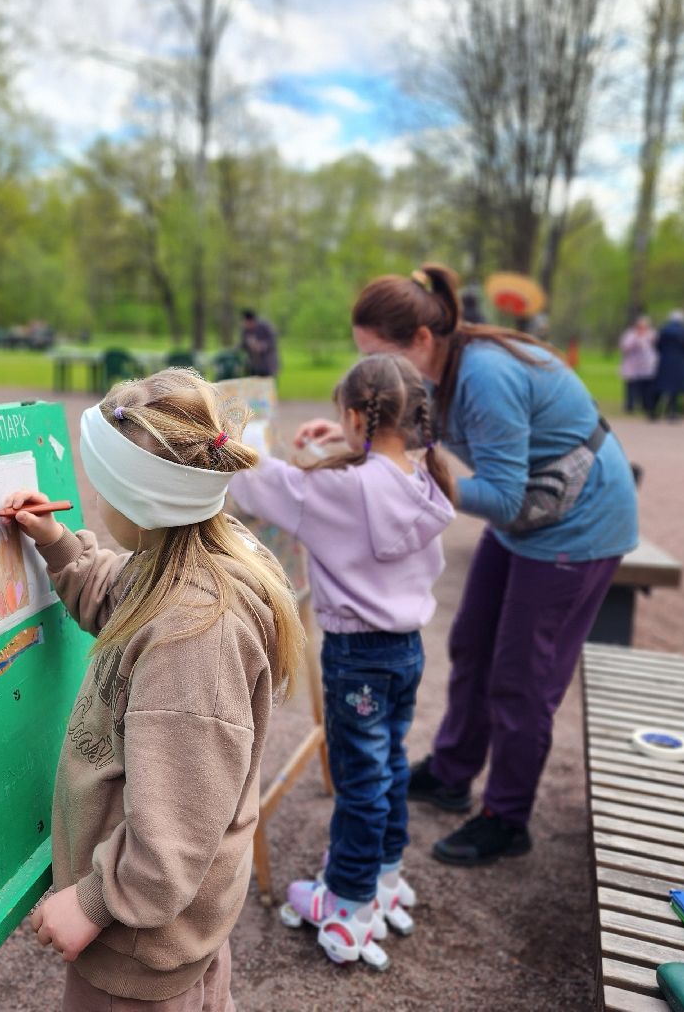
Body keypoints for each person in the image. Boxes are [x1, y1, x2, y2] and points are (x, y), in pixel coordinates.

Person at [296, 261, 638, 867]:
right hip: (530, 516)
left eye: (381, 357)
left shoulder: (484, 377)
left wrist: (394, 470)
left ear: (422, 341)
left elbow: (501, 497)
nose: (373, 373)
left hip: (576, 526)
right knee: (472, 640)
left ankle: (506, 818)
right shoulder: (439, 369)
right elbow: (419, 444)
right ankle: (453, 773)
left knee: (522, 679)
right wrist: (360, 436)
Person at [7, 368, 305, 1012]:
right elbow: (117, 593)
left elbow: (180, 826)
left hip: (138, 942)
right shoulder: (177, 562)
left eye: (100, 487)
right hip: (165, 925)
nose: (93, 499)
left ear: (135, 503)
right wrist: (61, 549)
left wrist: (96, 902)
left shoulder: (191, 636)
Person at [229, 354, 455, 969]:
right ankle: (382, 877)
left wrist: (221, 440)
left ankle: (348, 905)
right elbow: (354, 477)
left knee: (360, 782)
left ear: (356, 416)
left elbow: (263, 485)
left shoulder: (345, 489)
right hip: (406, 652)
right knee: (387, 768)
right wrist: (343, 443)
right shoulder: (424, 476)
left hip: (357, 656)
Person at [650, 309, 684, 422]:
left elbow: (657, 346)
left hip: (665, 362)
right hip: (679, 363)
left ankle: (654, 412)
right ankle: (673, 413)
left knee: (661, 387)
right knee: (675, 390)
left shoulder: (664, 330)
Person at [619, 315, 657, 414]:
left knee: (645, 387)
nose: (642, 328)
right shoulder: (631, 334)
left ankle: (645, 405)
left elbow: (654, 348)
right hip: (632, 365)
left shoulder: (651, 334)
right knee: (631, 387)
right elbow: (625, 348)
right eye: (640, 326)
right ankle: (630, 406)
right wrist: (636, 340)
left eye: (644, 326)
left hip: (646, 366)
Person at [239, 308, 279, 378]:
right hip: (253, 365)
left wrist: (262, 346)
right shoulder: (245, 330)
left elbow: (273, 340)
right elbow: (242, 344)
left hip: (267, 365)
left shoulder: (265, 326)